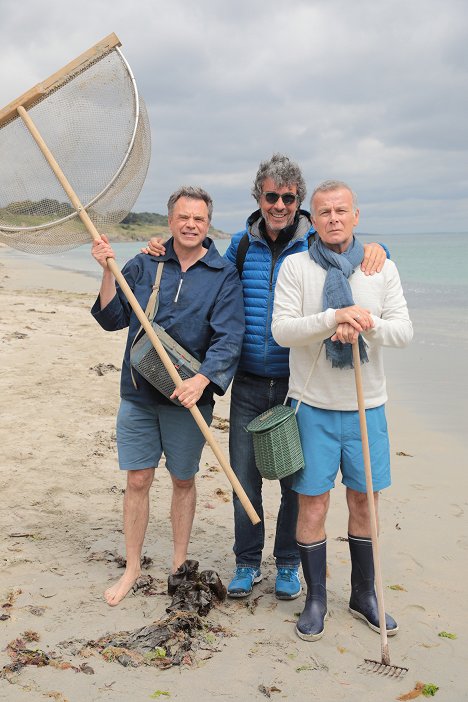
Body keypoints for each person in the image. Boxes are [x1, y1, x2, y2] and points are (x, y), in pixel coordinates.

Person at [145, 155, 387, 601]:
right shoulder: (239, 246)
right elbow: (197, 261)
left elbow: (353, 253)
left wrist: (381, 250)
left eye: (289, 197)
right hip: (249, 381)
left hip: (299, 383)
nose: (279, 205)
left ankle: (290, 565)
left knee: (297, 480)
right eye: (272, 196)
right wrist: (157, 247)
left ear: (299, 202)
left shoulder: (314, 243)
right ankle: (247, 562)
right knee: (245, 475)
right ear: (259, 197)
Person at [272, 180, 413, 641]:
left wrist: (365, 324)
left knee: (365, 502)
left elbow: (404, 332)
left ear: (357, 216)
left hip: (367, 406)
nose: (334, 218)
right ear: (313, 220)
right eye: (324, 212)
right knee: (312, 504)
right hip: (312, 406)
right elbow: (283, 331)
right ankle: (316, 600)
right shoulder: (295, 266)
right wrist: (333, 318)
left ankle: (364, 594)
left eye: (341, 210)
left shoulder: (381, 268)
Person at [91, 186, 245, 606]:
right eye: (183, 217)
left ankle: (178, 567)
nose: (190, 224)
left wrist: (203, 380)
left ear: (208, 223)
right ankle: (133, 567)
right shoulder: (145, 263)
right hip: (139, 393)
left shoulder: (222, 274)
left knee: (182, 479)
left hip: (189, 399)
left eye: (198, 218)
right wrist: (108, 269)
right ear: (171, 220)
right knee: (138, 479)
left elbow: (229, 338)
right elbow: (112, 318)